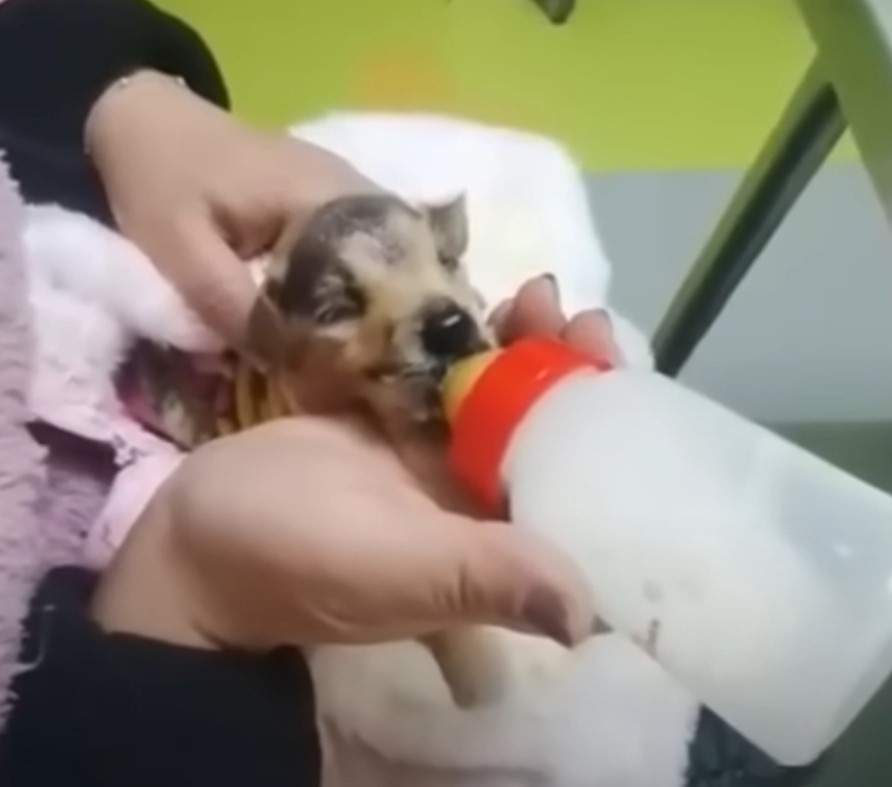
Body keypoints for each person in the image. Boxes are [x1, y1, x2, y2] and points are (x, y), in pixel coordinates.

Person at [0, 0, 825, 785]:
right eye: (343, 307)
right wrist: (185, 596)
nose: (433, 310)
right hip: (186, 702)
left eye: (442, 266)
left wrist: (112, 90)